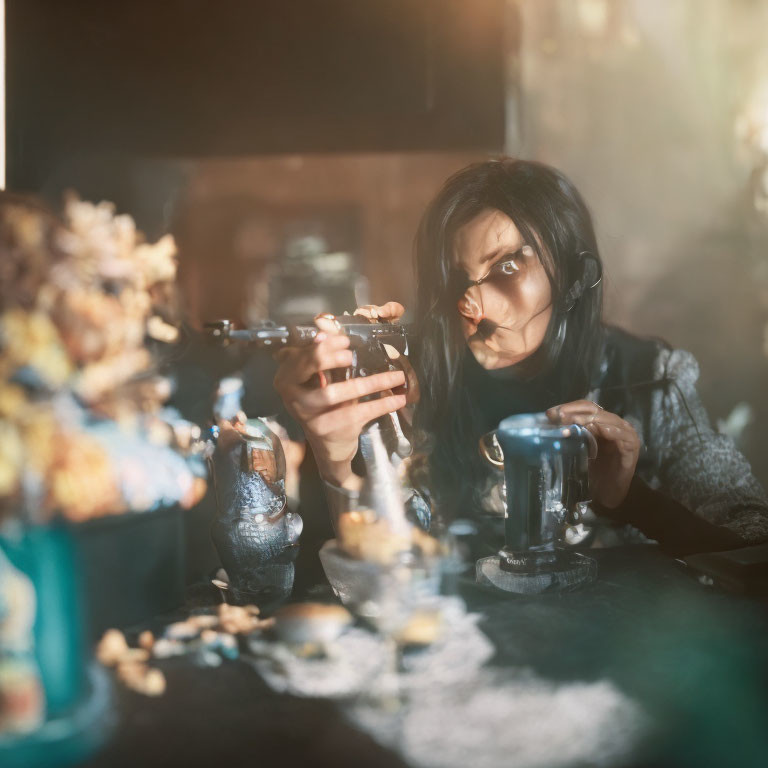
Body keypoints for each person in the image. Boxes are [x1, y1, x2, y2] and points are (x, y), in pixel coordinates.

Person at [273, 159, 768, 557]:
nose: (470, 303)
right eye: (454, 277)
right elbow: (382, 577)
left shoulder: (651, 379)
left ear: (576, 276)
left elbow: (752, 541)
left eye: (507, 265)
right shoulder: (398, 382)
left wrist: (631, 500)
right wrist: (337, 463)